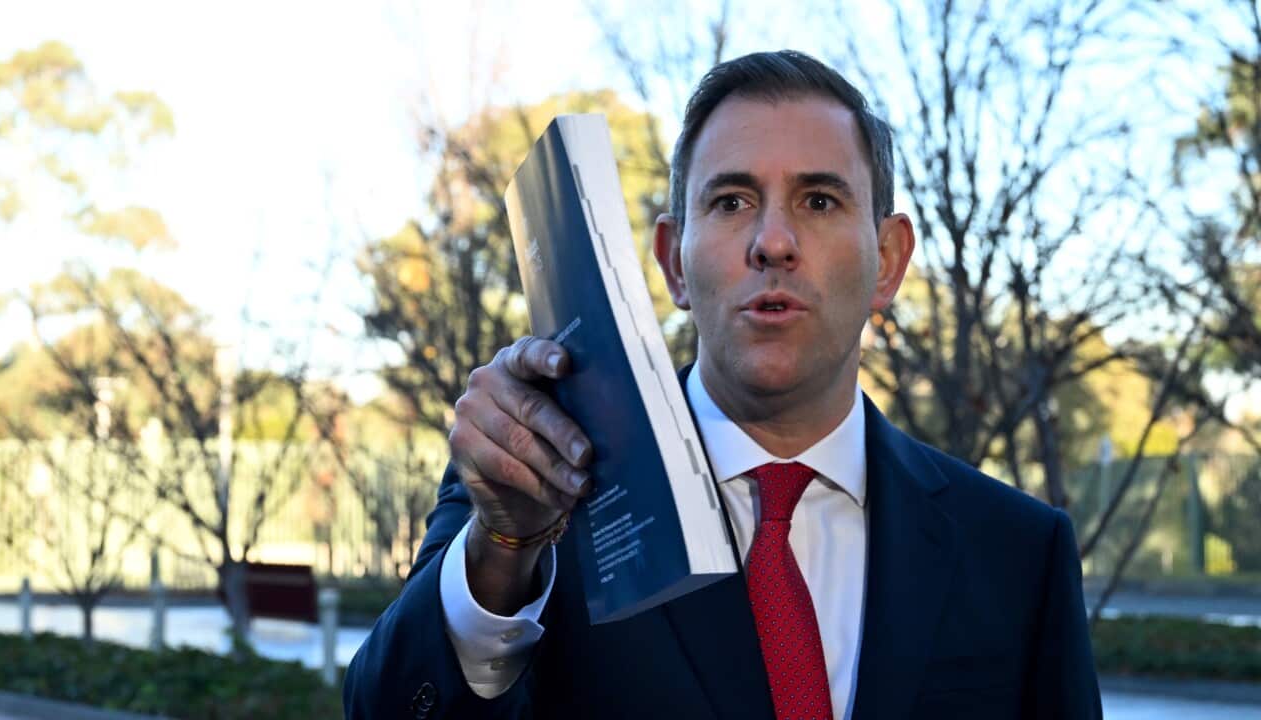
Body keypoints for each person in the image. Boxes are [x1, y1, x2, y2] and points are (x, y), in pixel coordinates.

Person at [344, 49, 1102, 720]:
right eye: (732, 201)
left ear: (889, 259)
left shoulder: (1019, 554)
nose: (773, 242)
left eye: (819, 200)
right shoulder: (534, 489)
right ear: (673, 261)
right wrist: (505, 547)